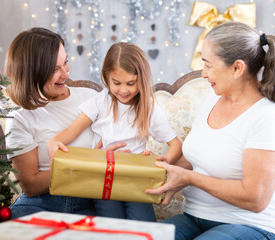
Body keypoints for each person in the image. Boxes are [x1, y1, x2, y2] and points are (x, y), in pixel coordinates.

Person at [146, 22, 275, 240]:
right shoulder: (211, 100)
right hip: (195, 218)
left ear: (237, 68)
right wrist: (155, 167)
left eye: (208, 65)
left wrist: (190, 178)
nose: (203, 74)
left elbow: (255, 198)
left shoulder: (267, 118)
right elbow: (196, 156)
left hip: (252, 226)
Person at [47, 42, 182, 221]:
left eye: (131, 83)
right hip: (104, 177)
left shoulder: (148, 106)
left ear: (141, 79)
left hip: (136, 178)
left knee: (142, 224)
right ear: (106, 77)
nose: (124, 90)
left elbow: (175, 144)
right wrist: (53, 142)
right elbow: (72, 131)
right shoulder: (101, 101)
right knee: (111, 224)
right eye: (116, 83)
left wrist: (162, 163)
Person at [5, 27, 127, 219]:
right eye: (54, 69)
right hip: (41, 203)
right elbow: (31, 186)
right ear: (32, 72)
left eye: (66, 62)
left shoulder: (91, 99)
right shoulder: (20, 118)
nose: (66, 74)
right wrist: (87, 164)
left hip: (91, 201)